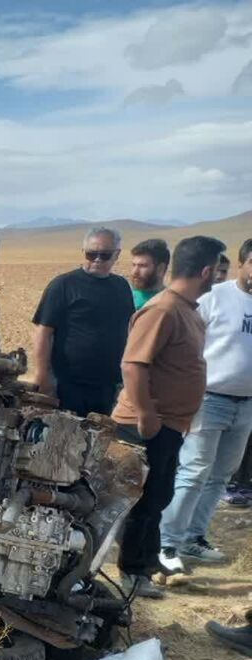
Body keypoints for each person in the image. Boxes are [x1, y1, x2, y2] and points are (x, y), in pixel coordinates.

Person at [112, 235, 226, 598]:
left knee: (158, 496)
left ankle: (145, 562)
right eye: (217, 270)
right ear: (206, 271)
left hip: (170, 425)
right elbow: (133, 365)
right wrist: (147, 414)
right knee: (141, 500)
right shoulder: (162, 310)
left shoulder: (186, 310)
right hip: (146, 425)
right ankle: (130, 571)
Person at [158, 238, 252, 572]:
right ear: (241, 263)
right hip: (210, 399)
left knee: (221, 476)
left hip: (247, 405)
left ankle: (194, 538)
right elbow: (192, 344)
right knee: (194, 471)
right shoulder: (216, 297)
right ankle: (167, 543)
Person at [30, 226, 136, 416]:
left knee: (99, 438)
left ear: (117, 255)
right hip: (69, 384)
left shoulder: (121, 286)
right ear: (83, 253)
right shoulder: (63, 285)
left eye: (104, 255)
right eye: (91, 254)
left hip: (108, 385)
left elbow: (128, 330)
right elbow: (43, 332)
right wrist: (42, 375)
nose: (97, 260)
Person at [129, 238, 170, 310]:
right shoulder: (124, 295)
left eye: (143, 266)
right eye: (134, 265)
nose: (135, 272)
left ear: (161, 268)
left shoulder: (168, 304)